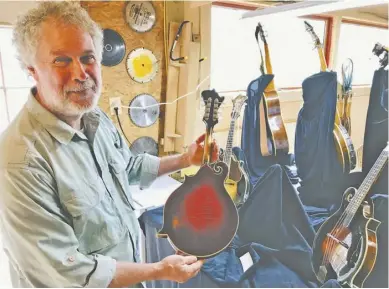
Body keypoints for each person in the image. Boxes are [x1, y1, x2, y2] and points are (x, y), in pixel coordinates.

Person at [0, 2, 218, 288]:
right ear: (32, 71)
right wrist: (157, 270)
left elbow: (127, 166)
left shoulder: (94, 117)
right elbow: (67, 271)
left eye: (87, 57)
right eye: (61, 61)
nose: (81, 73)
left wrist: (185, 159)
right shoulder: (20, 160)